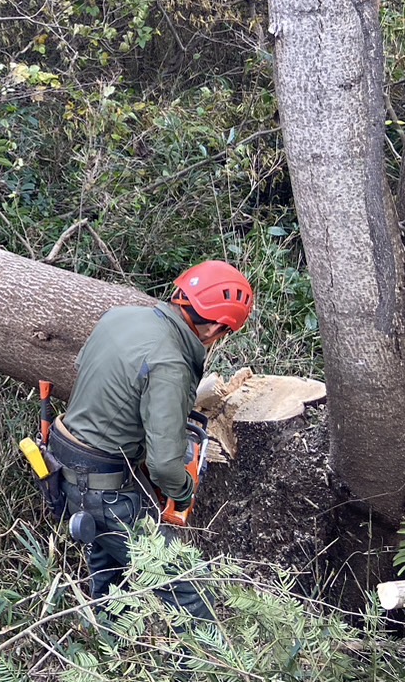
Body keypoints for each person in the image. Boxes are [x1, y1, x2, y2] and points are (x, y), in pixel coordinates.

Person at [46, 260, 253, 620]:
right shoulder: (171, 363)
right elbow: (165, 466)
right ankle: (209, 658)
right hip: (106, 490)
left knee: (110, 577)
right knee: (188, 590)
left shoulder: (119, 318)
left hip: (65, 466)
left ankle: (109, 645)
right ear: (217, 326)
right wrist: (183, 492)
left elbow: (106, 385)